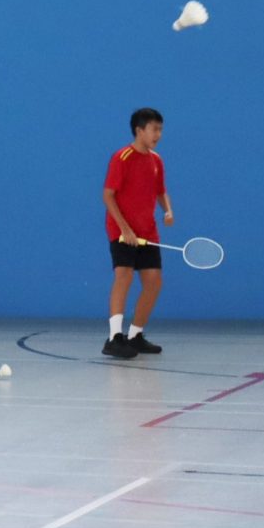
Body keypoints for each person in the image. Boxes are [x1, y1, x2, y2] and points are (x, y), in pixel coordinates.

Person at [101, 107, 173, 359]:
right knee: (124, 276)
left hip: (147, 232)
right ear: (139, 130)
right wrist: (125, 228)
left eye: (160, 129)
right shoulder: (122, 157)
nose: (158, 134)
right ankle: (114, 338)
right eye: (154, 129)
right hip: (121, 230)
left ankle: (135, 335)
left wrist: (167, 210)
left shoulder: (156, 160)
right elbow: (108, 196)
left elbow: (160, 191)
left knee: (154, 282)